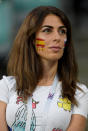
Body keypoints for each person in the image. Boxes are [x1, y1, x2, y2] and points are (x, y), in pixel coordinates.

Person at [0, 6, 88, 131]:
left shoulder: (78, 93)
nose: (57, 37)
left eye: (62, 31)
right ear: (32, 39)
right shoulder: (6, 86)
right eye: (47, 30)